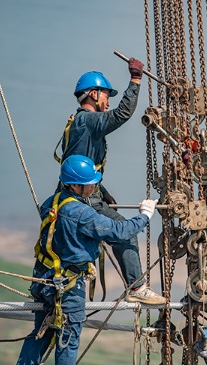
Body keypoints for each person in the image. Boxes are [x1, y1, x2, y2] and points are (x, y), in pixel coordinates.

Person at [17, 155, 159, 365]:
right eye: (89, 184)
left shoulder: (52, 202)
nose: (93, 187)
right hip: (67, 287)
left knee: (42, 331)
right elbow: (120, 231)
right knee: (68, 336)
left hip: (43, 280)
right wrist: (145, 215)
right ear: (74, 185)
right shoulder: (81, 213)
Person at [55, 61, 165, 305]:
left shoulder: (77, 123)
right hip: (83, 197)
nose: (108, 101)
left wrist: (102, 192)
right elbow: (122, 114)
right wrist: (135, 80)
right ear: (93, 94)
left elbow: (82, 163)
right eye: (106, 94)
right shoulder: (89, 121)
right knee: (124, 231)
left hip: (77, 192)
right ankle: (136, 287)